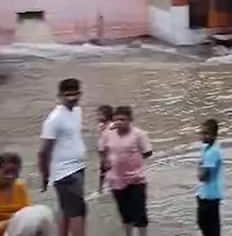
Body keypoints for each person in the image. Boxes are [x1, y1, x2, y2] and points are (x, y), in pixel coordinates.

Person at [38, 78, 87, 236]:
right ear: (60, 95)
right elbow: (43, 152)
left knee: (66, 209)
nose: (72, 98)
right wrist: (45, 176)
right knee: (78, 212)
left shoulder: (78, 111)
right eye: (68, 95)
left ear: (80, 94)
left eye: (75, 94)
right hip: (65, 172)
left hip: (78, 168)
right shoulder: (54, 119)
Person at [98, 106, 153, 236]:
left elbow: (148, 152)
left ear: (130, 120)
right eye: (116, 120)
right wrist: (105, 160)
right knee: (124, 214)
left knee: (140, 214)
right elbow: (101, 149)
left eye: (123, 120)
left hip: (136, 179)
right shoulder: (107, 134)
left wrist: (134, 160)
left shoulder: (139, 134)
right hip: (116, 180)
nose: (119, 122)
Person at [197, 119, 223, 236]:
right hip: (206, 194)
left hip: (209, 197)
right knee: (205, 225)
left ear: (214, 135)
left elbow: (203, 177)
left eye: (206, 133)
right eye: (202, 133)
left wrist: (199, 166)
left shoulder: (212, 152)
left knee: (210, 228)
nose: (202, 136)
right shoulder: (208, 148)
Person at [97, 105, 114, 193]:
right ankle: (100, 189)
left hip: (110, 154)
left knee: (110, 171)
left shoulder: (112, 127)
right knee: (102, 171)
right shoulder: (101, 126)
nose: (98, 117)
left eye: (100, 115)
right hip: (103, 153)